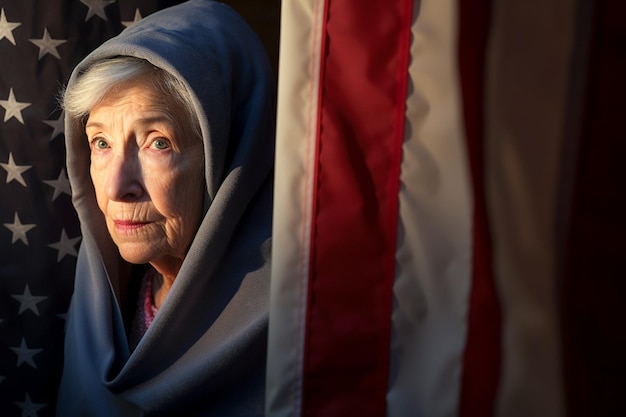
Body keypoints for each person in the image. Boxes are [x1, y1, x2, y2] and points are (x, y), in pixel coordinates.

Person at [56, 1, 275, 415]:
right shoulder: (99, 308)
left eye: (158, 142)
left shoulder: (297, 326)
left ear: (228, 156)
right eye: (101, 143)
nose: (118, 187)